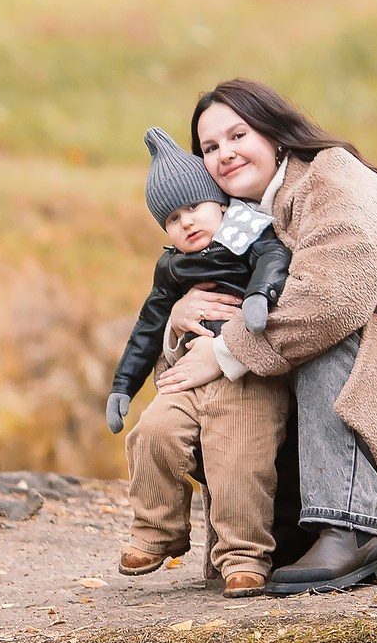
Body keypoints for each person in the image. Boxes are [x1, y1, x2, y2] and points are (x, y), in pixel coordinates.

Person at [152, 79, 377, 594]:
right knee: (240, 362)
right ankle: (261, 536)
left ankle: (350, 527)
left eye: (237, 135)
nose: (225, 154)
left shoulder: (332, 177)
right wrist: (182, 319)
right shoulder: (235, 226)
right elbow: (204, 333)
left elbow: (333, 302)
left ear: (274, 134)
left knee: (318, 332)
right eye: (209, 148)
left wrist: (226, 350)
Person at [109, 127, 294, 598]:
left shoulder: (250, 236)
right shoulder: (172, 267)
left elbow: (276, 260)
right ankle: (157, 532)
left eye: (195, 207)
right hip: (188, 378)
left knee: (239, 462)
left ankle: (244, 557)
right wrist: (123, 386)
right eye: (172, 218)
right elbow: (148, 328)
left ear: (220, 204)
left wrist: (257, 297)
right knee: (152, 434)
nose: (187, 223)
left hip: (248, 379)